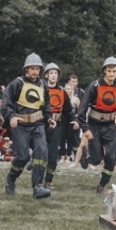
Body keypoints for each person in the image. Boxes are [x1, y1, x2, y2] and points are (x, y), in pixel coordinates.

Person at [1, 54, 52, 199]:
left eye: (37, 69)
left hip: (38, 124)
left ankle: (38, 187)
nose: (35, 72)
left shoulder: (43, 85)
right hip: (20, 125)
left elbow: (46, 104)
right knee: (22, 157)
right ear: (26, 70)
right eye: (32, 69)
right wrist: (11, 116)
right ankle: (11, 179)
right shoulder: (17, 83)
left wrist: (49, 118)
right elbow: (5, 104)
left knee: (42, 152)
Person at [77, 56, 116, 194]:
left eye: (114, 71)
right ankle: (86, 155)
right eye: (109, 71)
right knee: (96, 159)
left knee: (111, 159)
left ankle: (102, 184)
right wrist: (85, 128)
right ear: (104, 71)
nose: (112, 74)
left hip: (110, 126)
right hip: (94, 125)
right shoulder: (94, 86)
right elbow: (82, 109)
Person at [43, 61, 75, 190]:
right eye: (51, 73)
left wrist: (74, 120)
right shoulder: (41, 88)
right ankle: (37, 177)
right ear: (46, 75)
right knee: (40, 151)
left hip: (57, 125)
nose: (53, 75)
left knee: (53, 154)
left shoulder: (62, 91)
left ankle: (48, 180)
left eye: (55, 73)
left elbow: (68, 110)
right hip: (42, 124)